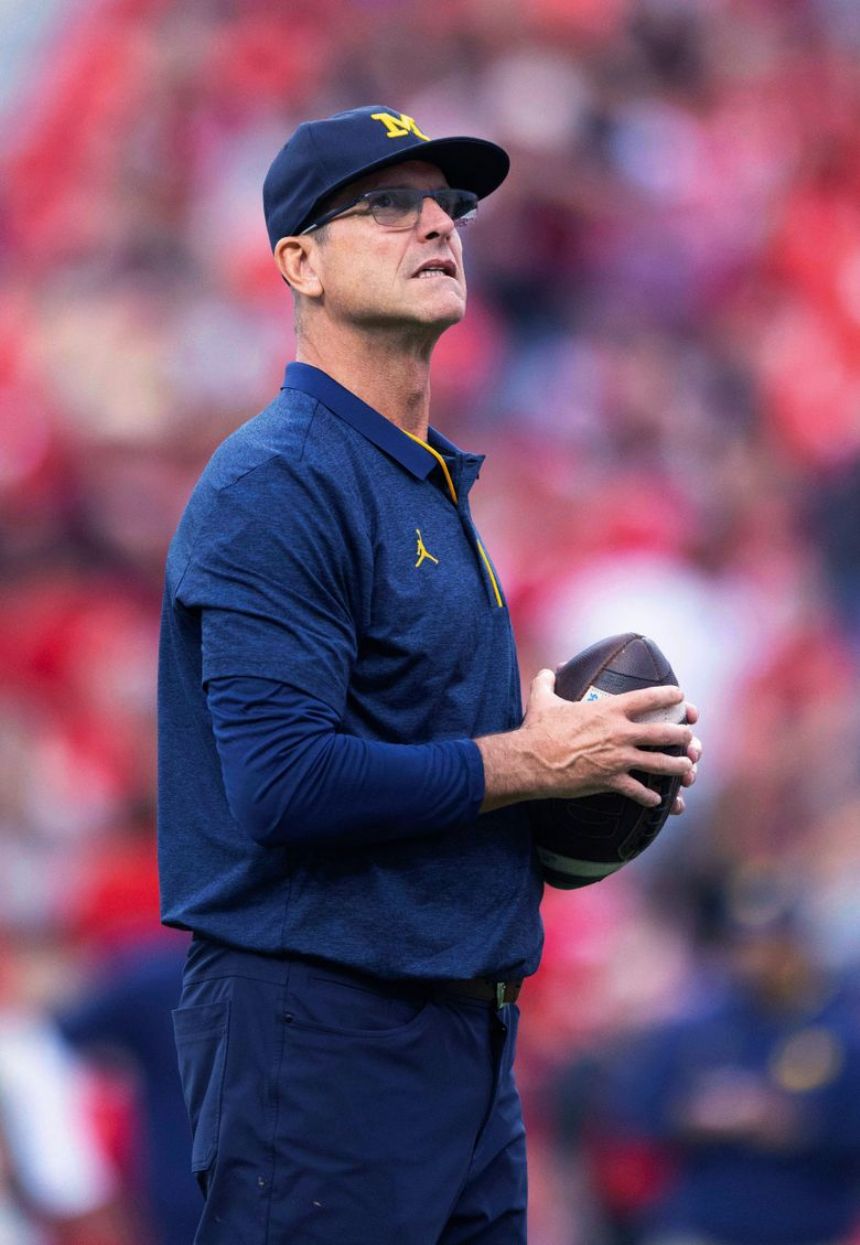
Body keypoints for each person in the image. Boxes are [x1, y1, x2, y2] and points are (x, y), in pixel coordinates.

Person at [157, 103, 700, 1244]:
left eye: (447, 206)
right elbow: (284, 786)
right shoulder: (278, 481)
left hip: (461, 1037)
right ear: (296, 262)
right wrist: (529, 760)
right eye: (385, 205)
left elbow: (432, 766)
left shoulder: (420, 484)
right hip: (320, 1035)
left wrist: (584, 782)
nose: (435, 225)